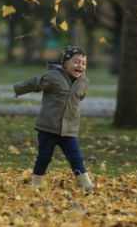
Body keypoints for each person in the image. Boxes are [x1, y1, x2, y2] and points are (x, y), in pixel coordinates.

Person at [13, 46, 95, 190]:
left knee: (76, 158)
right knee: (44, 157)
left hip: (69, 130)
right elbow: (35, 83)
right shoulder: (53, 77)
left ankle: (86, 183)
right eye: (76, 62)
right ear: (65, 64)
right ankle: (36, 184)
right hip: (48, 128)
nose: (80, 66)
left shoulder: (83, 82)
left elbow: (79, 98)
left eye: (83, 63)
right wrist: (19, 89)